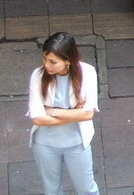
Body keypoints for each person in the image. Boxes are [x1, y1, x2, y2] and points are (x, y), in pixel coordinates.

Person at [27, 32, 99, 195]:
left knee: (87, 189)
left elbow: (88, 114)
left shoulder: (87, 73)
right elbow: (37, 118)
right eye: (45, 59)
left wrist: (52, 111)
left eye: (52, 61)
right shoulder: (38, 76)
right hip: (45, 144)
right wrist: (74, 113)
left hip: (77, 143)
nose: (47, 65)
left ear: (68, 60)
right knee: (51, 190)